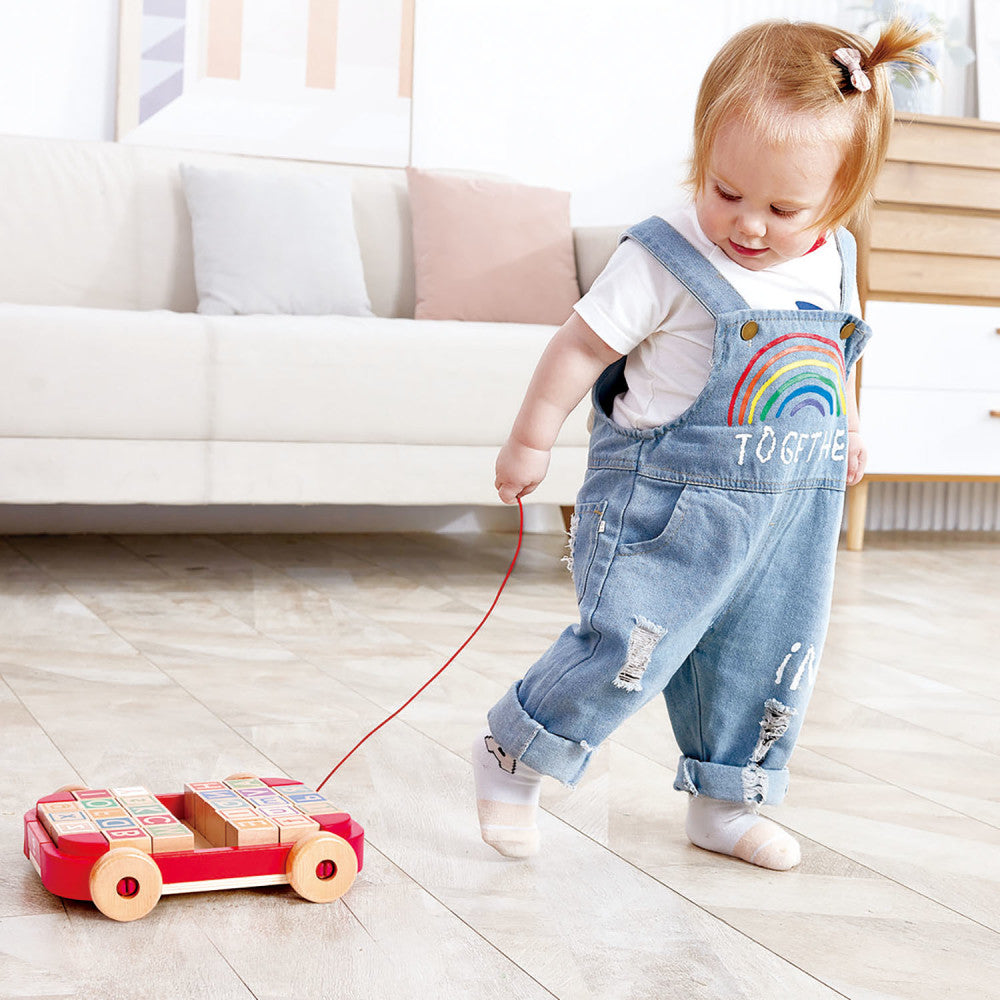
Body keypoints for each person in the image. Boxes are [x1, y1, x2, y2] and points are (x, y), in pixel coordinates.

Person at [472, 18, 932, 869]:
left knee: (768, 655)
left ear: (838, 201)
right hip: (666, 504)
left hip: (791, 512)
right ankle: (514, 753)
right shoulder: (663, 258)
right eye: (726, 192)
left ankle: (726, 802)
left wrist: (851, 428)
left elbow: (835, 358)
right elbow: (580, 346)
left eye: (782, 208)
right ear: (700, 160)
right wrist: (529, 440)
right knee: (626, 648)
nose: (748, 225)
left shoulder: (833, 259)